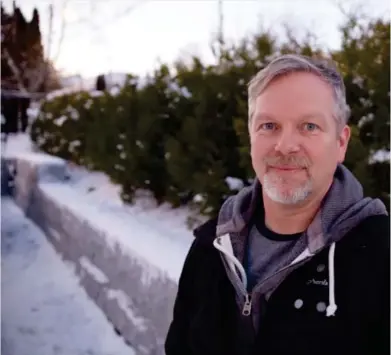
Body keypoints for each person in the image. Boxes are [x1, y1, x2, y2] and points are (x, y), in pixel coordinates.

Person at [164, 54, 390, 355]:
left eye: (309, 126)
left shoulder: (381, 257)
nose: (284, 146)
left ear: (341, 143)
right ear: (251, 136)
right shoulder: (212, 247)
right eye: (269, 125)